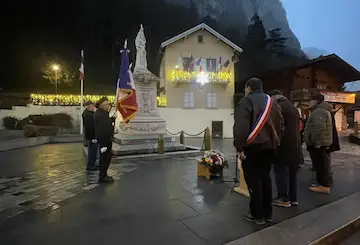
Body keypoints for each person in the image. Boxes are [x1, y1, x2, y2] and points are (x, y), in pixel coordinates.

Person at [233, 78, 284, 225]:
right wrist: (276, 142)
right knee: (265, 179)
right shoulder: (272, 102)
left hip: (253, 147)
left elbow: (241, 127)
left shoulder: (246, 101)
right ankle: (268, 214)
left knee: (253, 181)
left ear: (248, 88)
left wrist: (239, 147)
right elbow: (281, 124)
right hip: (270, 147)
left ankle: (256, 215)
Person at [268, 90, 302, 208]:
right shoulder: (292, 107)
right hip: (296, 145)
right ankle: (293, 199)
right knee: (292, 173)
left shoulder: (277, 106)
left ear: (273, 97)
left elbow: (278, 126)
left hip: (283, 145)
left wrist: (274, 142)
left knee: (281, 171)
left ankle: (283, 198)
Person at [304, 92, 337, 194]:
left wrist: (315, 141)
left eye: (311, 100)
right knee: (321, 164)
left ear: (316, 101)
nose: (310, 102)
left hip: (320, 143)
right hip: (322, 142)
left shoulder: (319, 111)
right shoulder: (321, 110)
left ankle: (324, 185)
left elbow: (319, 128)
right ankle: (321, 184)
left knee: (321, 165)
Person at [94, 97, 114, 183]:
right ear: (101, 105)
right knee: (105, 158)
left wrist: (113, 119)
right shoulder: (101, 115)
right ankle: (102, 176)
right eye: (106, 104)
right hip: (104, 140)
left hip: (106, 139)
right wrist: (104, 143)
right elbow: (104, 129)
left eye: (108, 104)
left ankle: (104, 174)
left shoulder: (102, 113)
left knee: (106, 158)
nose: (108, 106)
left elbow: (107, 124)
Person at [82, 101, 98, 171]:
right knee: (92, 151)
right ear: (89, 106)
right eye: (92, 106)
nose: (94, 107)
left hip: (92, 136)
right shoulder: (87, 115)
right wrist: (93, 137)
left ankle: (92, 164)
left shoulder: (89, 113)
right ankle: (91, 165)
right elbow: (89, 127)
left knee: (93, 151)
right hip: (92, 136)